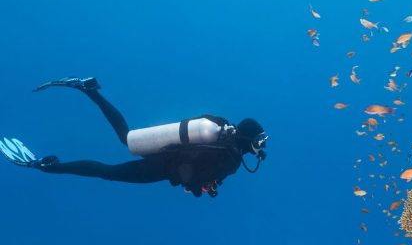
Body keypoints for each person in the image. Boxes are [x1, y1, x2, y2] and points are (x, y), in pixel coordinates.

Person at [0, 77, 268, 197]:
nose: (260, 147)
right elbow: (193, 175)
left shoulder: (221, 132)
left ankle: (88, 89)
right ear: (249, 138)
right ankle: (47, 166)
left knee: (125, 136)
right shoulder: (231, 159)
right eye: (260, 140)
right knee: (108, 172)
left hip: (166, 149)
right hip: (162, 167)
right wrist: (198, 187)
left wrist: (200, 183)